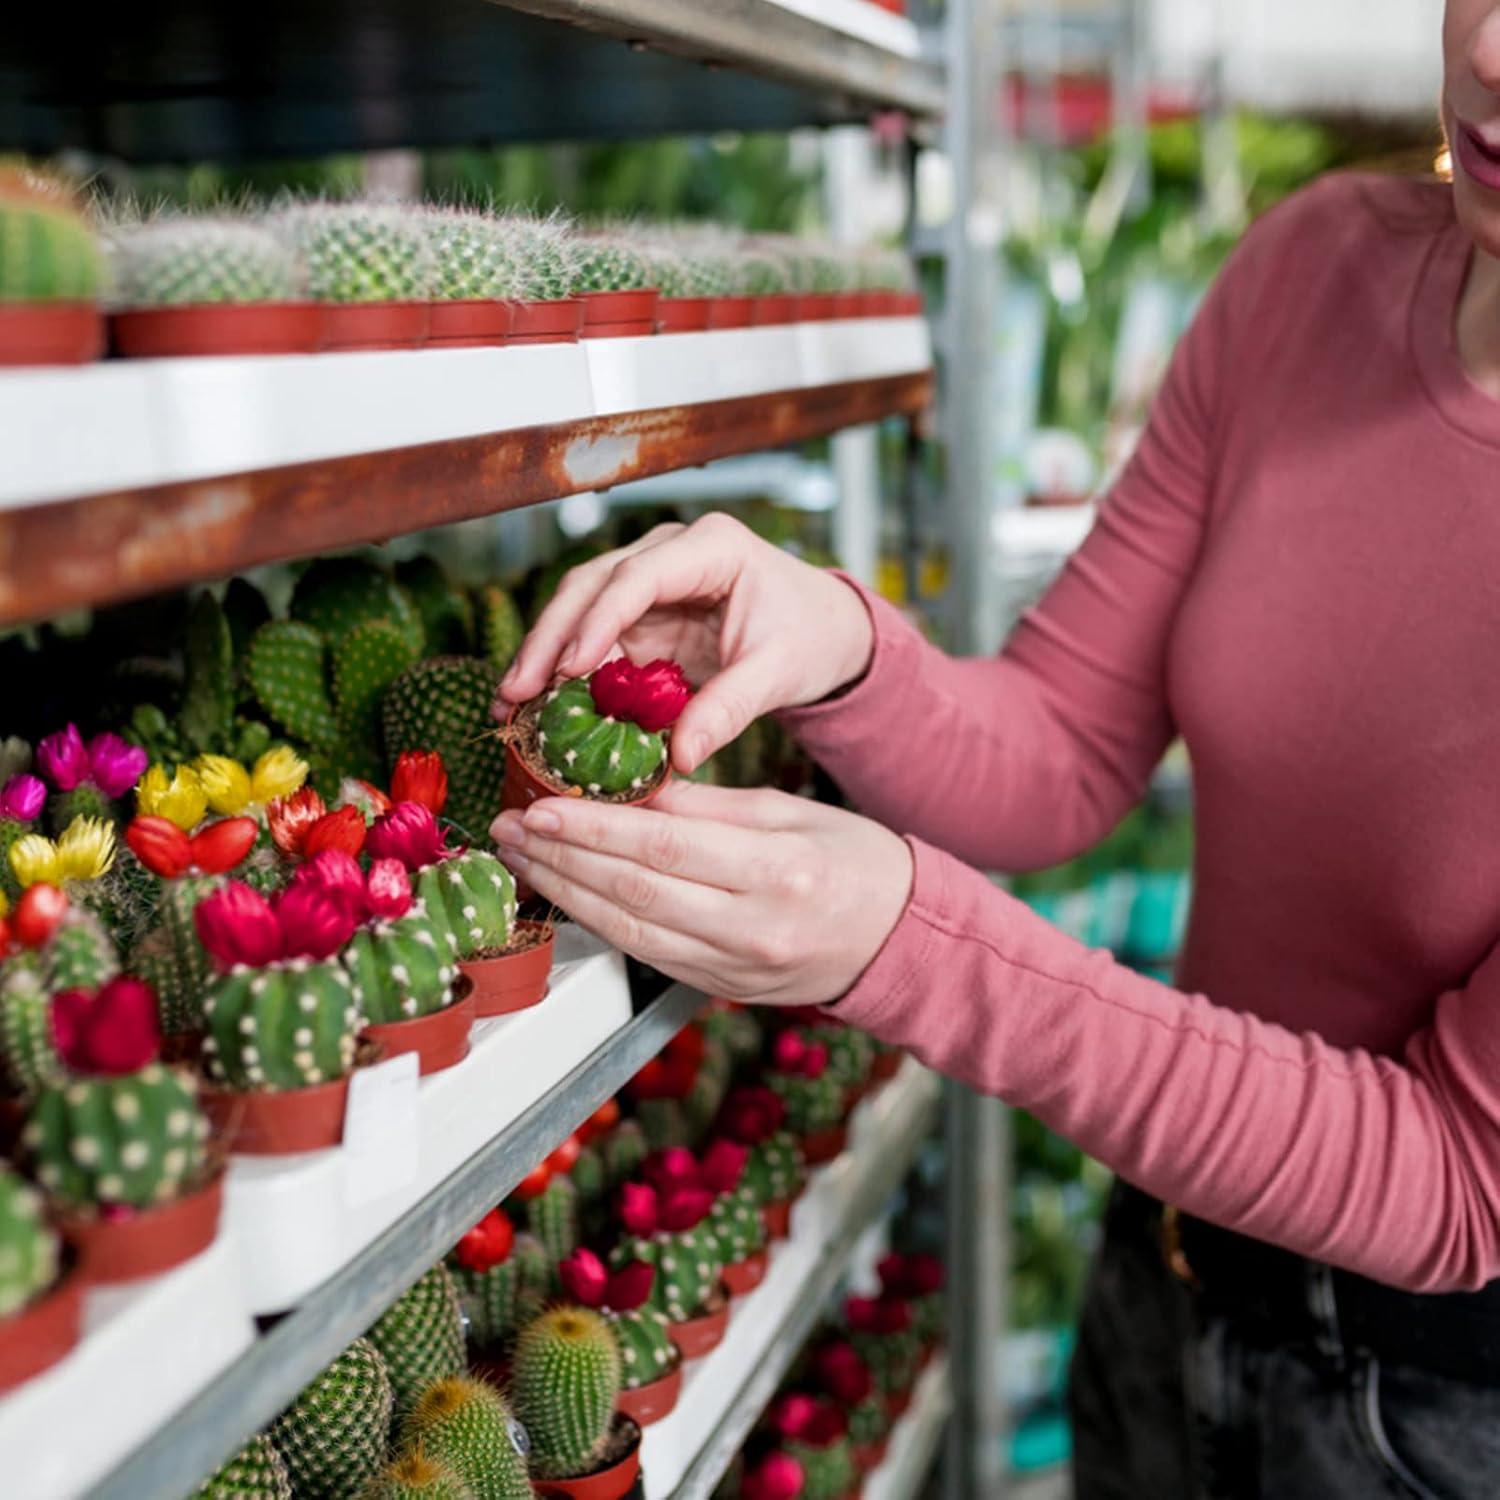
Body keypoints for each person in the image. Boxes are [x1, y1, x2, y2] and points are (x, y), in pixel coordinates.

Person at [492, 4, 1500, 1493]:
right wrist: (833, 639)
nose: (1490, 53)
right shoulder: (1318, 268)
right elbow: (1066, 745)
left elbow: (1455, 1182)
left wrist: (910, 947)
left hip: (1438, 1420)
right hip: (1167, 1277)